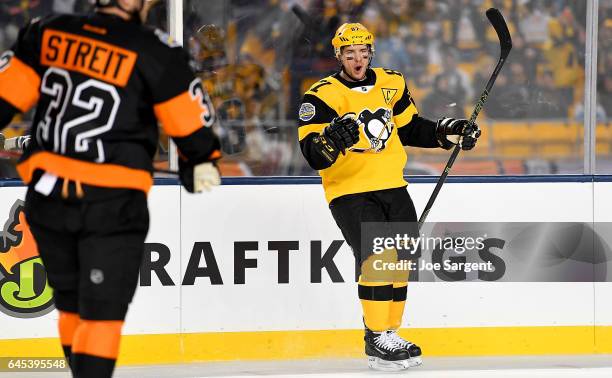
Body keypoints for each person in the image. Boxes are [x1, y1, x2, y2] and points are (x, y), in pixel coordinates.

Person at [0, 0, 221, 377]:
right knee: (101, 315)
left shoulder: (47, 31)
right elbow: (193, 132)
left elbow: (5, 100)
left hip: (48, 198)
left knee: (71, 308)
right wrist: (200, 163)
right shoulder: (155, 49)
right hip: (111, 201)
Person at [297, 23, 480, 371]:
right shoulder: (321, 95)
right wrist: (332, 139)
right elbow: (312, 153)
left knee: (400, 263)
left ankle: (389, 333)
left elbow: (410, 127)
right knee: (377, 260)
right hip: (349, 190)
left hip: (392, 185)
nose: (357, 59)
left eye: (363, 52)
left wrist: (447, 132)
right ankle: (376, 336)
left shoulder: (391, 82)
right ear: (339, 56)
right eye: (349, 54)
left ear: (371, 53)